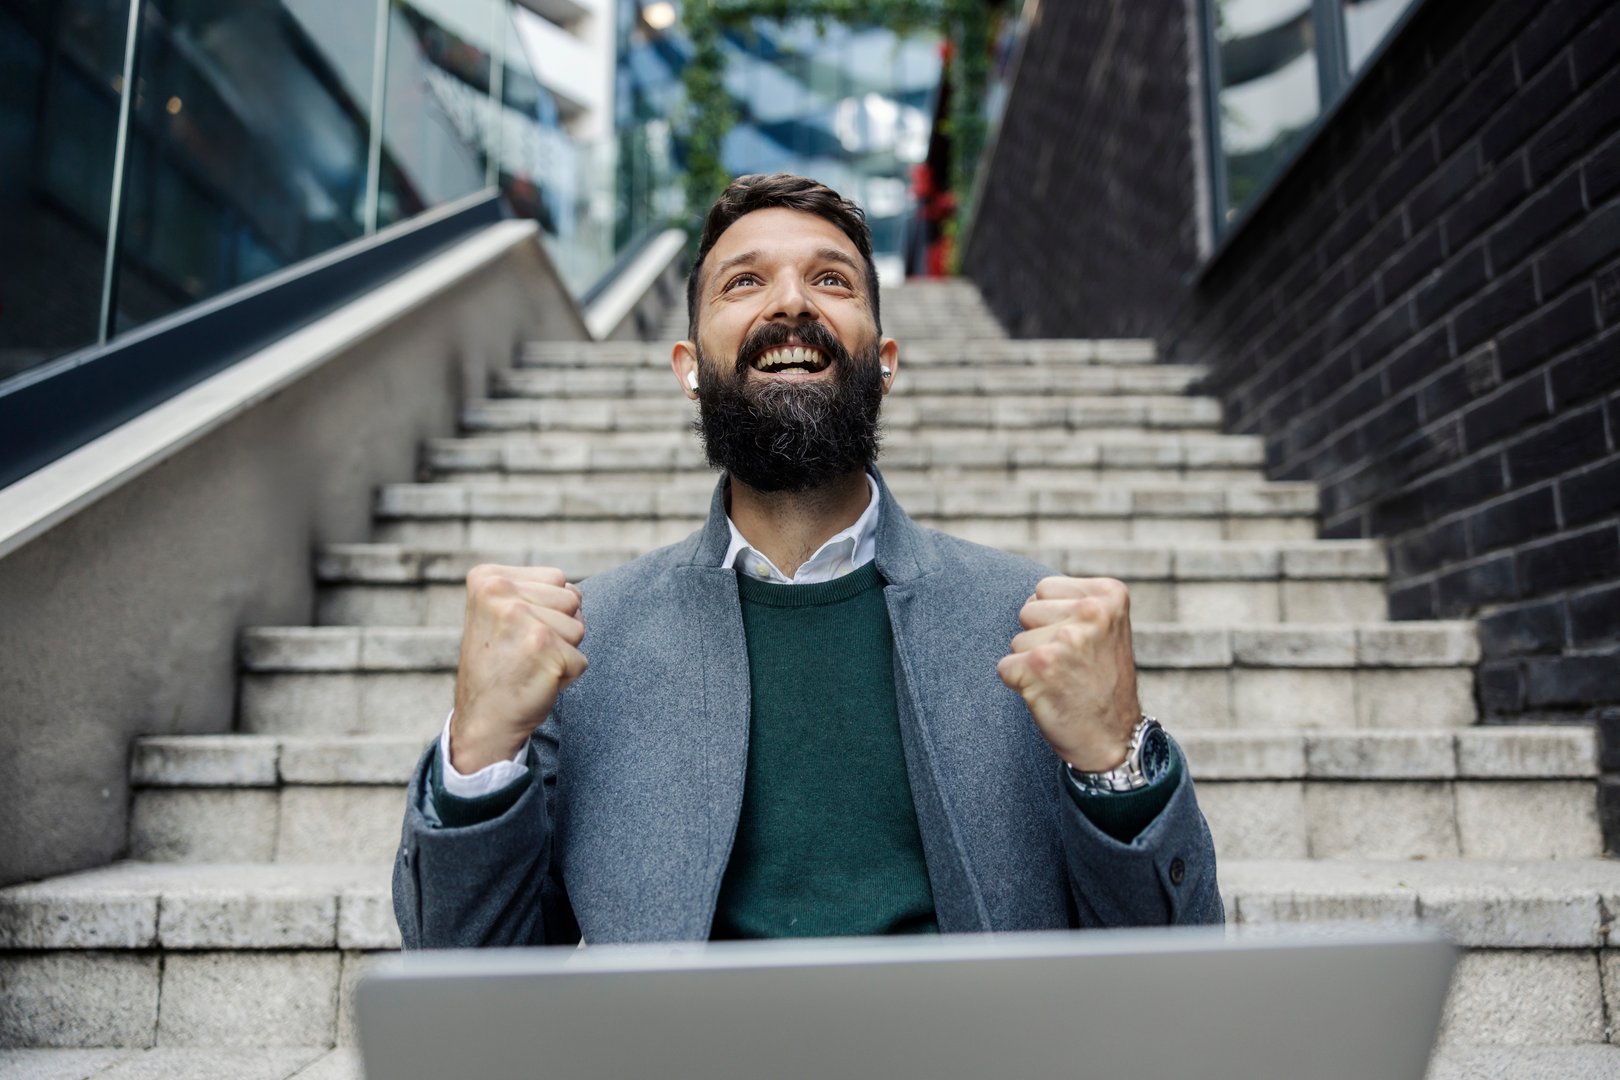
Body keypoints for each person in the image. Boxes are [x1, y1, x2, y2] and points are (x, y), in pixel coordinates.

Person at [393, 174, 1222, 947]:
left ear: (885, 362)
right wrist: (479, 753)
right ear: (689, 368)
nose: (790, 301)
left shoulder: (1034, 628)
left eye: (831, 280)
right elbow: (465, 970)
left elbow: (1172, 972)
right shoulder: (582, 644)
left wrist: (1119, 763)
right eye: (744, 282)